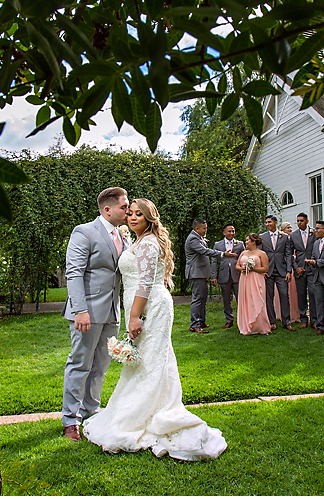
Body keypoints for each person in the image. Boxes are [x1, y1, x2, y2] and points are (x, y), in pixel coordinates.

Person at [83, 199, 227, 460]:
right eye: (131, 214)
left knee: (150, 362)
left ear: (150, 218)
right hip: (140, 305)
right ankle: (145, 409)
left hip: (150, 307)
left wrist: (135, 316)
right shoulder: (137, 241)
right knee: (148, 361)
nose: (133, 218)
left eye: (140, 214)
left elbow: (146, 283)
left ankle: (145, 415)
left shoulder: (148, 242)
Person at [62, 187, 130, 441]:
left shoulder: (122, 236)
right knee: (80, 363)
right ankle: (70, 420)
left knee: (101, 365)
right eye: (124, 207)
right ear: (107, 209)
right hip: (87, 312)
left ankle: (91, 411)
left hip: (113, 312)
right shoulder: (84, 232)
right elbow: (74, 272)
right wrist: (80, 310)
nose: (128, 211)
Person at [185, 219, 236, 333]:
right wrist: (222, 254)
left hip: (201, 273)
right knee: (197, 298)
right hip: (195, 273)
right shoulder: (193, 239)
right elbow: (205, 251)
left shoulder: (199, 238)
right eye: (204, 228)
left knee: (203, 298)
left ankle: (201, 321)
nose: (205, 230)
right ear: (197, 229)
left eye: (206, 228)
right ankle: (194, 324)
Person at [260, 215, 295, 331]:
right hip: (268, 271)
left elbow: (289, 255)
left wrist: (289, 271)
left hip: (281, 270)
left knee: (284, 295)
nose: (267, 224)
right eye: (266, 222)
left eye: (269, 222)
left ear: (275, 222)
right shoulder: (262, 237)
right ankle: (272, 321)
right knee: (269, 297)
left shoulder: (284, 237)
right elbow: (260, 255)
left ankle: (286, 321)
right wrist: (262, 270)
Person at [235, 233, 272, 335]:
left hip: (256, 279)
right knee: (246, 300)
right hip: (245, 279)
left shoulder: (261, 254)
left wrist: (253, 269)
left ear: (253, 241)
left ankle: (259, 325)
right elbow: (237, 266)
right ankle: (247, 324)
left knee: (257, 300)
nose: (245, 242)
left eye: (247, 240)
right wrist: (242, 268)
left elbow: (265, 268)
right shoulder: (243, 253)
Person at [210, 224, 244, 329]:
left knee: (241, 298)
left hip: (237, 275)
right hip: (224, 275)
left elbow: (244, 258)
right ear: (224, 232)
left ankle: (242, 320)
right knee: (226, 299)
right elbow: (214, 261)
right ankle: (229, 320)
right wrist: (213, 276)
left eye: (233, 231)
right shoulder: (218, 245)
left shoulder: (240, 244)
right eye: (229, 231)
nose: (231, 233)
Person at [289, 212, 316, 328]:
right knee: (301, 294)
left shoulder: (314, 233)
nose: (299, 223)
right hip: (299, 268)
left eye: (302, 220)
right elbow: (289, 254)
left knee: (313, 293)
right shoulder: (293, 235)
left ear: (307, 221)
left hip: (313, 268)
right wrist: (295, 268)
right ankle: (303, 319)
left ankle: (314, 320)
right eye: (298, 221)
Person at [280, 222, 299, 322]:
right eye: (288, 228)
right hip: (283, 265)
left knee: (293, 292)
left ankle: (294, 312)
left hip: (291, 265)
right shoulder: (281, 238)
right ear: (283, 229)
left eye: (291, 228)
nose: (290, 230)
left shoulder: (292, 239)